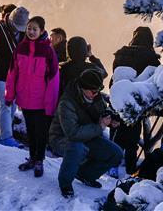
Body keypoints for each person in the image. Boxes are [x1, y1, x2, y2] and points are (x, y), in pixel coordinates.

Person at [49, 69, 124, 198]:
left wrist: (111, 120)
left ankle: (85, 175)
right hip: (62, 138)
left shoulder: (95, 96)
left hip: (88, 134)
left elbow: (101, 111)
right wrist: (100, 126)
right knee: (77, 147)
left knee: (116, 153)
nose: (96, 94)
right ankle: (65, 183)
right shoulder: (67, 103)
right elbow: (72, 133)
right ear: (83, 88)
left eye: (98, 90)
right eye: (93, 91)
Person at [5, 15, 59, 177]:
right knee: (31, 130)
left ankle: (39, 160)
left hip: (42, 101)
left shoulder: (48, 51)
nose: (31, 32)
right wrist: (10, 95)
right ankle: (32, 158)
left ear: (42, 31)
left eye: (35, 29)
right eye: (29, 28)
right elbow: (12, 73)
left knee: (40, 132)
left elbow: (54, 79)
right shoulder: (20, 48)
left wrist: (50, 103)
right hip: (25, 99)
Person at [111, 26, 161, 174]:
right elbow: (155, 78)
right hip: (137, 101)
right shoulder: (151, 57)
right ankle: (130, 168)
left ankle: (114, 164)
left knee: (119, 133)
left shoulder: (121, 54)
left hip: (119, 96)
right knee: (133, 136)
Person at [0, 5, 28, 146]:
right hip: (1, 73)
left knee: (12, 104)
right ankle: (5, 137)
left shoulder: (25, 33)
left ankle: (7, 134)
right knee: (5, 104)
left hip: (17, 74)